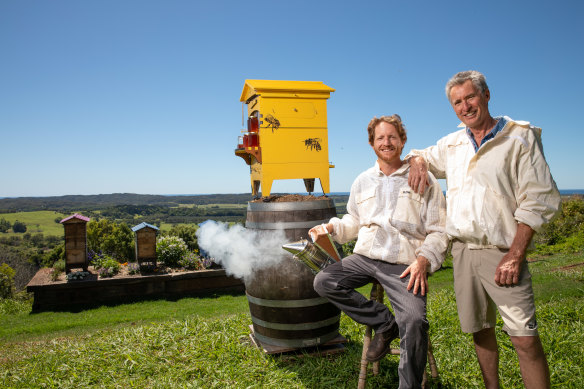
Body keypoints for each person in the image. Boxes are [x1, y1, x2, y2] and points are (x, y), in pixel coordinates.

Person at [407, 70, 561, 389]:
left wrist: (516, 255)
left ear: (486, 95)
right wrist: (418, 161)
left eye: (470, 97)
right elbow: (419, 154)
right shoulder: (452, 144)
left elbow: (539, 199)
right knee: (480, 328)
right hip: (463, 251)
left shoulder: (520, 136)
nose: (465, 106)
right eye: (457, 102)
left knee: (524, 338)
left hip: (503, 251)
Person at [310, 114, 448, 389]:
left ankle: (407, 385)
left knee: (414, 320)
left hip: (405, 263)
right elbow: (354, 221)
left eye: (392, 137)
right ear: (372, 144)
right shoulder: (363, 180)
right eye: (380, 138)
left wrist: (424, 260)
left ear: (403, 140)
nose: (387, 143)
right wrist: (330, 228)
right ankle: (386, 324)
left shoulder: (423, 176)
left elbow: (439, 229)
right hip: (365, 257)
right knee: (324, 281)